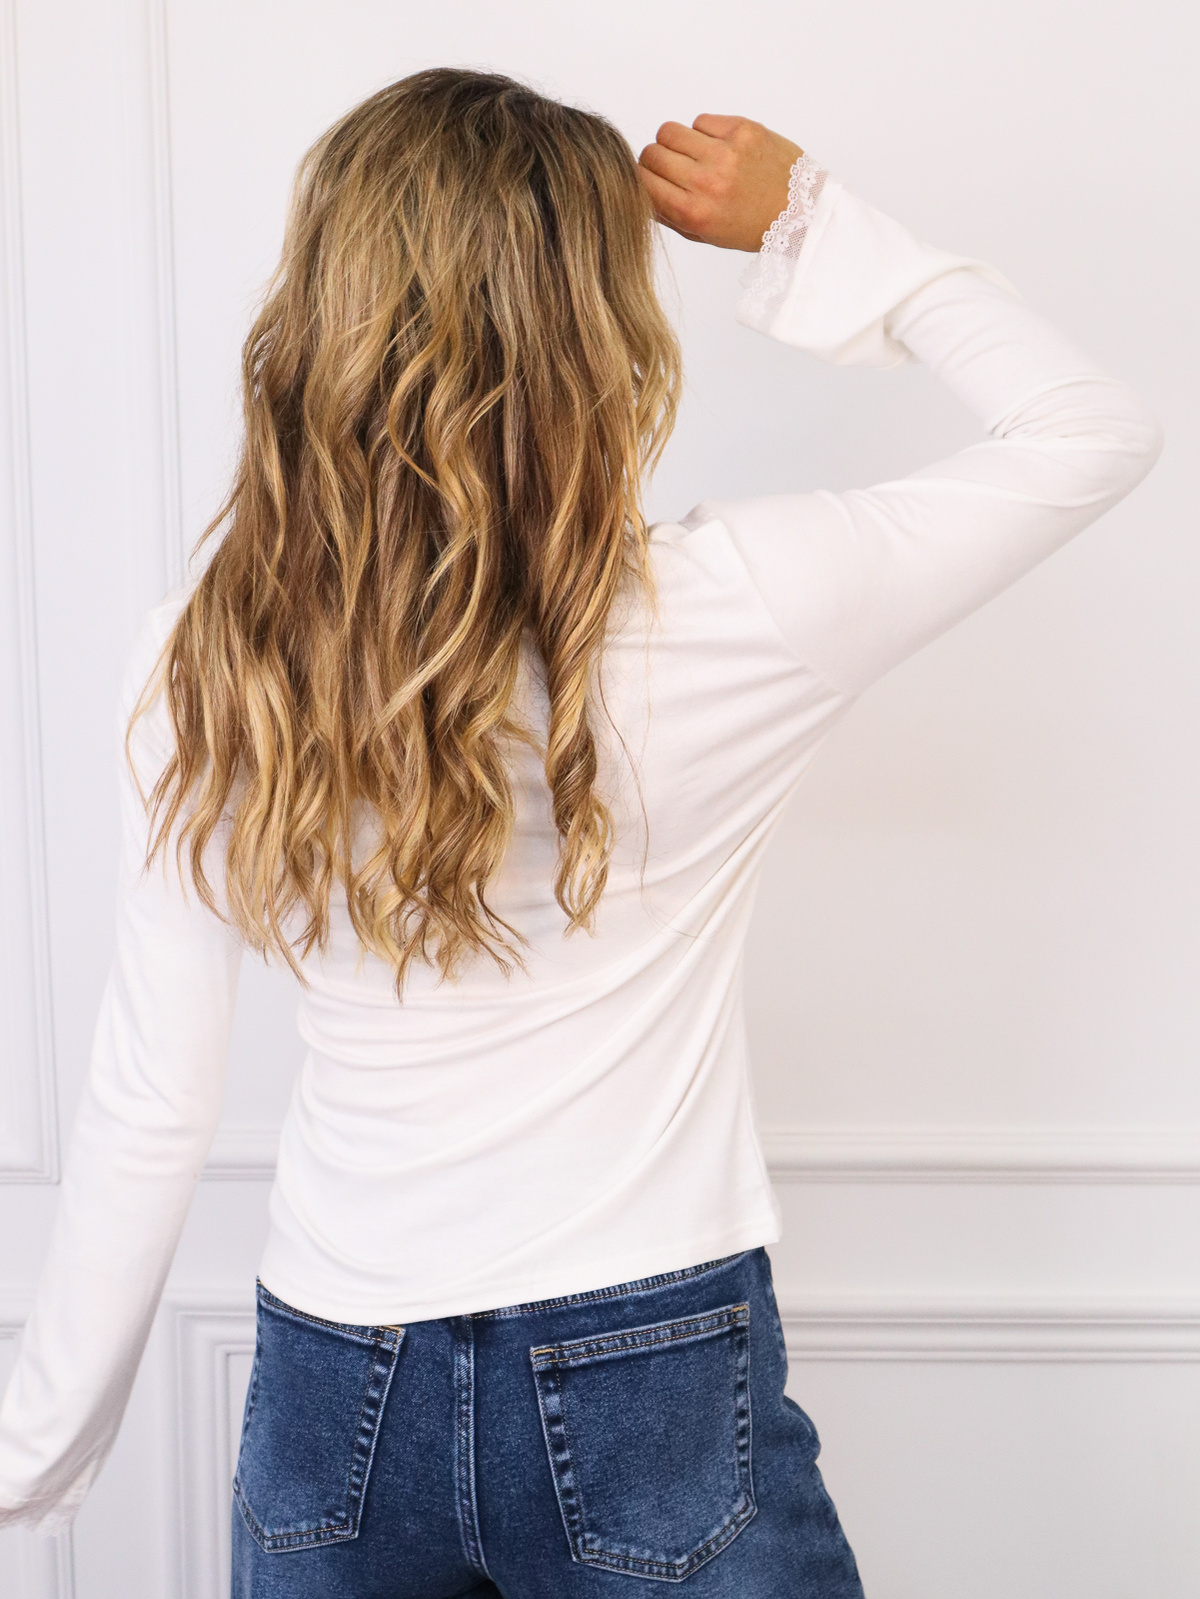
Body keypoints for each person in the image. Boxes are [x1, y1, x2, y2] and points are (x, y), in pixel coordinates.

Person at [0, 67, 1161, 1598]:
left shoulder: (206, 659)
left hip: (335, 1387)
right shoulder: (741, 611)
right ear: (597, 327)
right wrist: (813, 220)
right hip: (647, 1370)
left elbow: (153, 1096)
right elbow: (1091, 431)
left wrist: (34, 1456)